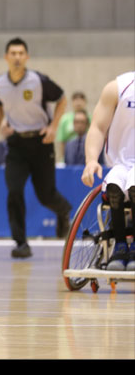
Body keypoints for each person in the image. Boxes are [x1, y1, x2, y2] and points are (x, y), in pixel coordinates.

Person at [0, 37, 72, 259]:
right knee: (14, 191)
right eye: (12, 53)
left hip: (41, 143)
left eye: (20, 53)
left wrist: (53, 127)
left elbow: (62, 99)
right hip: (16, 145)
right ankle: (21, 243)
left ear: (27, 57)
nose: (16, 57)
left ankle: (64, 211)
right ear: (6, 57)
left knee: (45, 195)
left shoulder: (39, 81)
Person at [81, 71, 134, 271]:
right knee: (114, 187)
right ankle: (119, 248)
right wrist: (91, 160)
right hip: (120, 164)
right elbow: (97, 127)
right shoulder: (118, 88)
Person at [56, 91, 89, 162]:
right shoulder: (65, 119)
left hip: (86, 153)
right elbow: (62, 141)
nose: (78, 103)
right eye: (75, 100)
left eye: (81, 100)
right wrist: (63, 158)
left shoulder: (91, 118)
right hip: (71, 154)